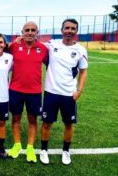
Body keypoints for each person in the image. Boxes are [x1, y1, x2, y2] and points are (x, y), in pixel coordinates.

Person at [39, 19, 88, 165]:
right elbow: (34, 43)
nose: (70, 31)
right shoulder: (52, 44)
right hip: (51, 92)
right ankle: (44, 150)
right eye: (67, 28)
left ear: (76, 31)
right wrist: (19, 38)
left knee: (68, 124)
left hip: (69, 94)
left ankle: (66, 151)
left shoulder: (81, 50)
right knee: (47, 123)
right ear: (62, 30)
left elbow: (84, 72)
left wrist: (79, 90)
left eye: (73, 28)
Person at [7, 22, 48, 163]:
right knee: (16, 118)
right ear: (22, 32)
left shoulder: (43, 49)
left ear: (37, 32)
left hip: (34, 91)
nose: (30, 32)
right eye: (27, 30)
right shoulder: (14, 46)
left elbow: (51, 65)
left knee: (32, 119)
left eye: (33, 30)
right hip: (15, 90)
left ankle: (30, 147)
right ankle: (17, 144)